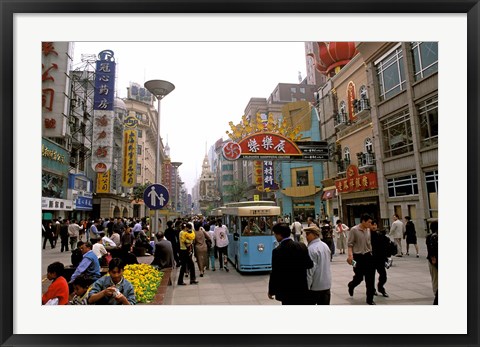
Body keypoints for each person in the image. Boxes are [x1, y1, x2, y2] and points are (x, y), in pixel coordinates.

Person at [268, 223, 313, 305]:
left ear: (279, 235)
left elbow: (274, 273)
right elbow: (310, 264)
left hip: (286, 291)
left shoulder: (277, 251)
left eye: (275, 234)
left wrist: (271, 291)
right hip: (301, 288)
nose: (274, 236)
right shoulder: (302, 246)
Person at [346, 213, 376, 305]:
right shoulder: (354, 230)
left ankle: (370, 299)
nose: (370, 224)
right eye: (369, 222)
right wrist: (350, 256)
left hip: (368, 256)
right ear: (363, 221)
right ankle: (351, 285)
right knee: (359, 277)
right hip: (357, 257)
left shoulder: (368, 229)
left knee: (370, 279)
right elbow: (350, 244)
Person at [304, 225, 332, 305]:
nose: (306, 236)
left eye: (308, 234)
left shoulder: (311, 249)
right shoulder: (325, 246)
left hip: (315, 287)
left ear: (314, 234)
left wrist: (307, 287)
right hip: (326, 285)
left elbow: (310, 270)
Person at [370, 220, 390, 298]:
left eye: (375, 225)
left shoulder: (380, 235)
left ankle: (380, 287)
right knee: (371, 277)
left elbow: (385, 246)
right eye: (372, 225)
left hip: (380, 259)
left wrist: (386, 258)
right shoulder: (367, 235)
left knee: (383, 276)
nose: (374, 226)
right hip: (371, 259)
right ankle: (372, 290)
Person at [426, 220, 438, 305]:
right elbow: (430, 249)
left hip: (435, 260)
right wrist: (433, 258)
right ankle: (436, 294)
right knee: (436, 279)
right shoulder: (431, 237)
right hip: (434, 261)